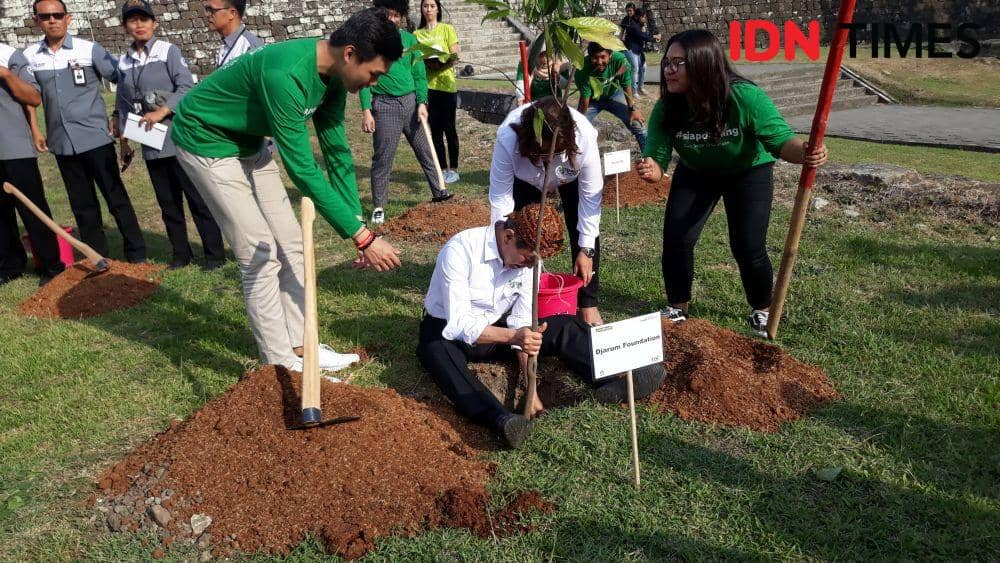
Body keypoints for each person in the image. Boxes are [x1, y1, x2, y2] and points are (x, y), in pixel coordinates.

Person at [170, 8, 403, 371]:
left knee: (292, 243)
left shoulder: (336, 77)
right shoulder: (286, 74)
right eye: (373, 74)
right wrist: (363, 239)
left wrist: (357, 222)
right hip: (205, 140)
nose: (373, 83)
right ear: (350, 53)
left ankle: (301, 346)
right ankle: (279, 362)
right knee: (260, 251)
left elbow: (335, 147)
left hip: (247, 144)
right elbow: (303, 170)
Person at [417, 203, 664, 448]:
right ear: (509, 236)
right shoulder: (460, 250)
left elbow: (524, 323)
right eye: (525, 260)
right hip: (447, 330)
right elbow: (459, 323)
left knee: (566, 326)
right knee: (440, 357)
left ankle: (615, 379)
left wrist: (530, 386)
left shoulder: (528, 265)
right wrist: (514, 336)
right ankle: (501, 420)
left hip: (498, 329)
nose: (527, 267)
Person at [636, 30, 828, 336]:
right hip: (697, 171)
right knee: (677, 238)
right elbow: (658, 157)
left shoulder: (744, 97)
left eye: (678, 63)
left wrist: (804, 152)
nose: (669, 70)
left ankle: (762, 310)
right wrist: (652, 169)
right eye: (666, 63)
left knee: (747, 245)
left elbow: (780, 141)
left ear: (703, 63)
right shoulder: (667, 107)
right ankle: (677, 307)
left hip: (747, 170)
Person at [24, 0, 147, 264]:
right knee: (82, 206)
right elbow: (30, 97)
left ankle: (137, 254)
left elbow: (122, 80)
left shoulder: (88, 49)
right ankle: (98, 257)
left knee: (116, 199)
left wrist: (117, 116)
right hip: (62, 143)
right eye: (45, 16)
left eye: (58, 15)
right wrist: (35, 130)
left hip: (95, 138)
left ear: (68, 18)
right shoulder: (31, 56)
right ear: (37, 20)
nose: (52, 20)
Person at [115, 0, 225, 271]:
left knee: (197, 199)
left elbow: (186, 86)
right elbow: (124, 102)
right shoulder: (124, 61)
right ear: (126, 26)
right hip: (151, 143)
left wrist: (162, 111)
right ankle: (181, 254)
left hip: (178, 138)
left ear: (154, 23)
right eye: (132, 20)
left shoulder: (168, 51)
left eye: (144, 19)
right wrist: (125, 141)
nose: (138, 25)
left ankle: (214, 255)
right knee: (168, 203)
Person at [489, 97, 605, 326]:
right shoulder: (508, 138)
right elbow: (501, 198)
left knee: (581, 229)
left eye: (554, 153)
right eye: (541, 154)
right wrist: (505, 243)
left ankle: (588, 304)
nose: (548, 160)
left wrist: (587, 250)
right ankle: (522, 296)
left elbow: (590, 201)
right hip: (525, 181)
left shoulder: (585, 137)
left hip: (570, 178)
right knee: (522, 231)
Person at [360, 0, 452, 226]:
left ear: (402, 17)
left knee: (426, 152)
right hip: (384, 106)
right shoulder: (373, 42)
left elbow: (420, 75)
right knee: (383, 159)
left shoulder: (411, 41)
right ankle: (379, 206)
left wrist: (422, 102)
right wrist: (366, 110)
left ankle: (439, 191)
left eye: (397, 15)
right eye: (389, 15)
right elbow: (363, 79)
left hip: (411, 104)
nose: (393, 19)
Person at [0, 41, 64, 286]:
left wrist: (5, 74)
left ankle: (51, 264)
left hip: (14, 146)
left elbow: (34, 98)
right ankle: (10, 265)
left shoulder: (9, 56)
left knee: (33, 209)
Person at [414, 0, 461, 184]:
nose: (429, 9)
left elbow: (455, 55)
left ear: (438, 8)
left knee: (450, 128)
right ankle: (442, 167)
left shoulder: (447, 29)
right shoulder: (416, 34)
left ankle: (454, 168)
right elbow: (415, 59)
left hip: (447, 85)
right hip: (428, 87)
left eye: (432, 6)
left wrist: (440, 65)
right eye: (425, 6)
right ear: (422, 9)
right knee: (435, 131)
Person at [575, 41, 646, 150]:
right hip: (592, 99)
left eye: (603, 57)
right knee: (577, 130)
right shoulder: (582, 69)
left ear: (610, 54)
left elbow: (626, 85)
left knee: (637, 124)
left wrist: (632, 109)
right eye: (595, 57)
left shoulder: (620, 60)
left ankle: (649, 157)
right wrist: (581, 120)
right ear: (589, 57)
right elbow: (585, 99)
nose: (599, 62)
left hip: (614, 94)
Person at [205, 0, 264, 67]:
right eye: (207, 9)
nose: (207, 14)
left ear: (232, 13)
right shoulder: (225, 44)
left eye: (212, 10)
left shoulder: (250, 48)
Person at [623, 8, 660, 97]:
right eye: (644, 17)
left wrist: (650, 33)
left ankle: (641, 87)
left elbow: (644, 33)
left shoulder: (639, 23)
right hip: (631, 50)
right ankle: (634, 91)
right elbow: (642, 35)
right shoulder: (633, 25)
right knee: (635, 69)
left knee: (643, 68)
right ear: (639, 16)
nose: (645, 19)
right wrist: (654, 37)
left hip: (638, 50)